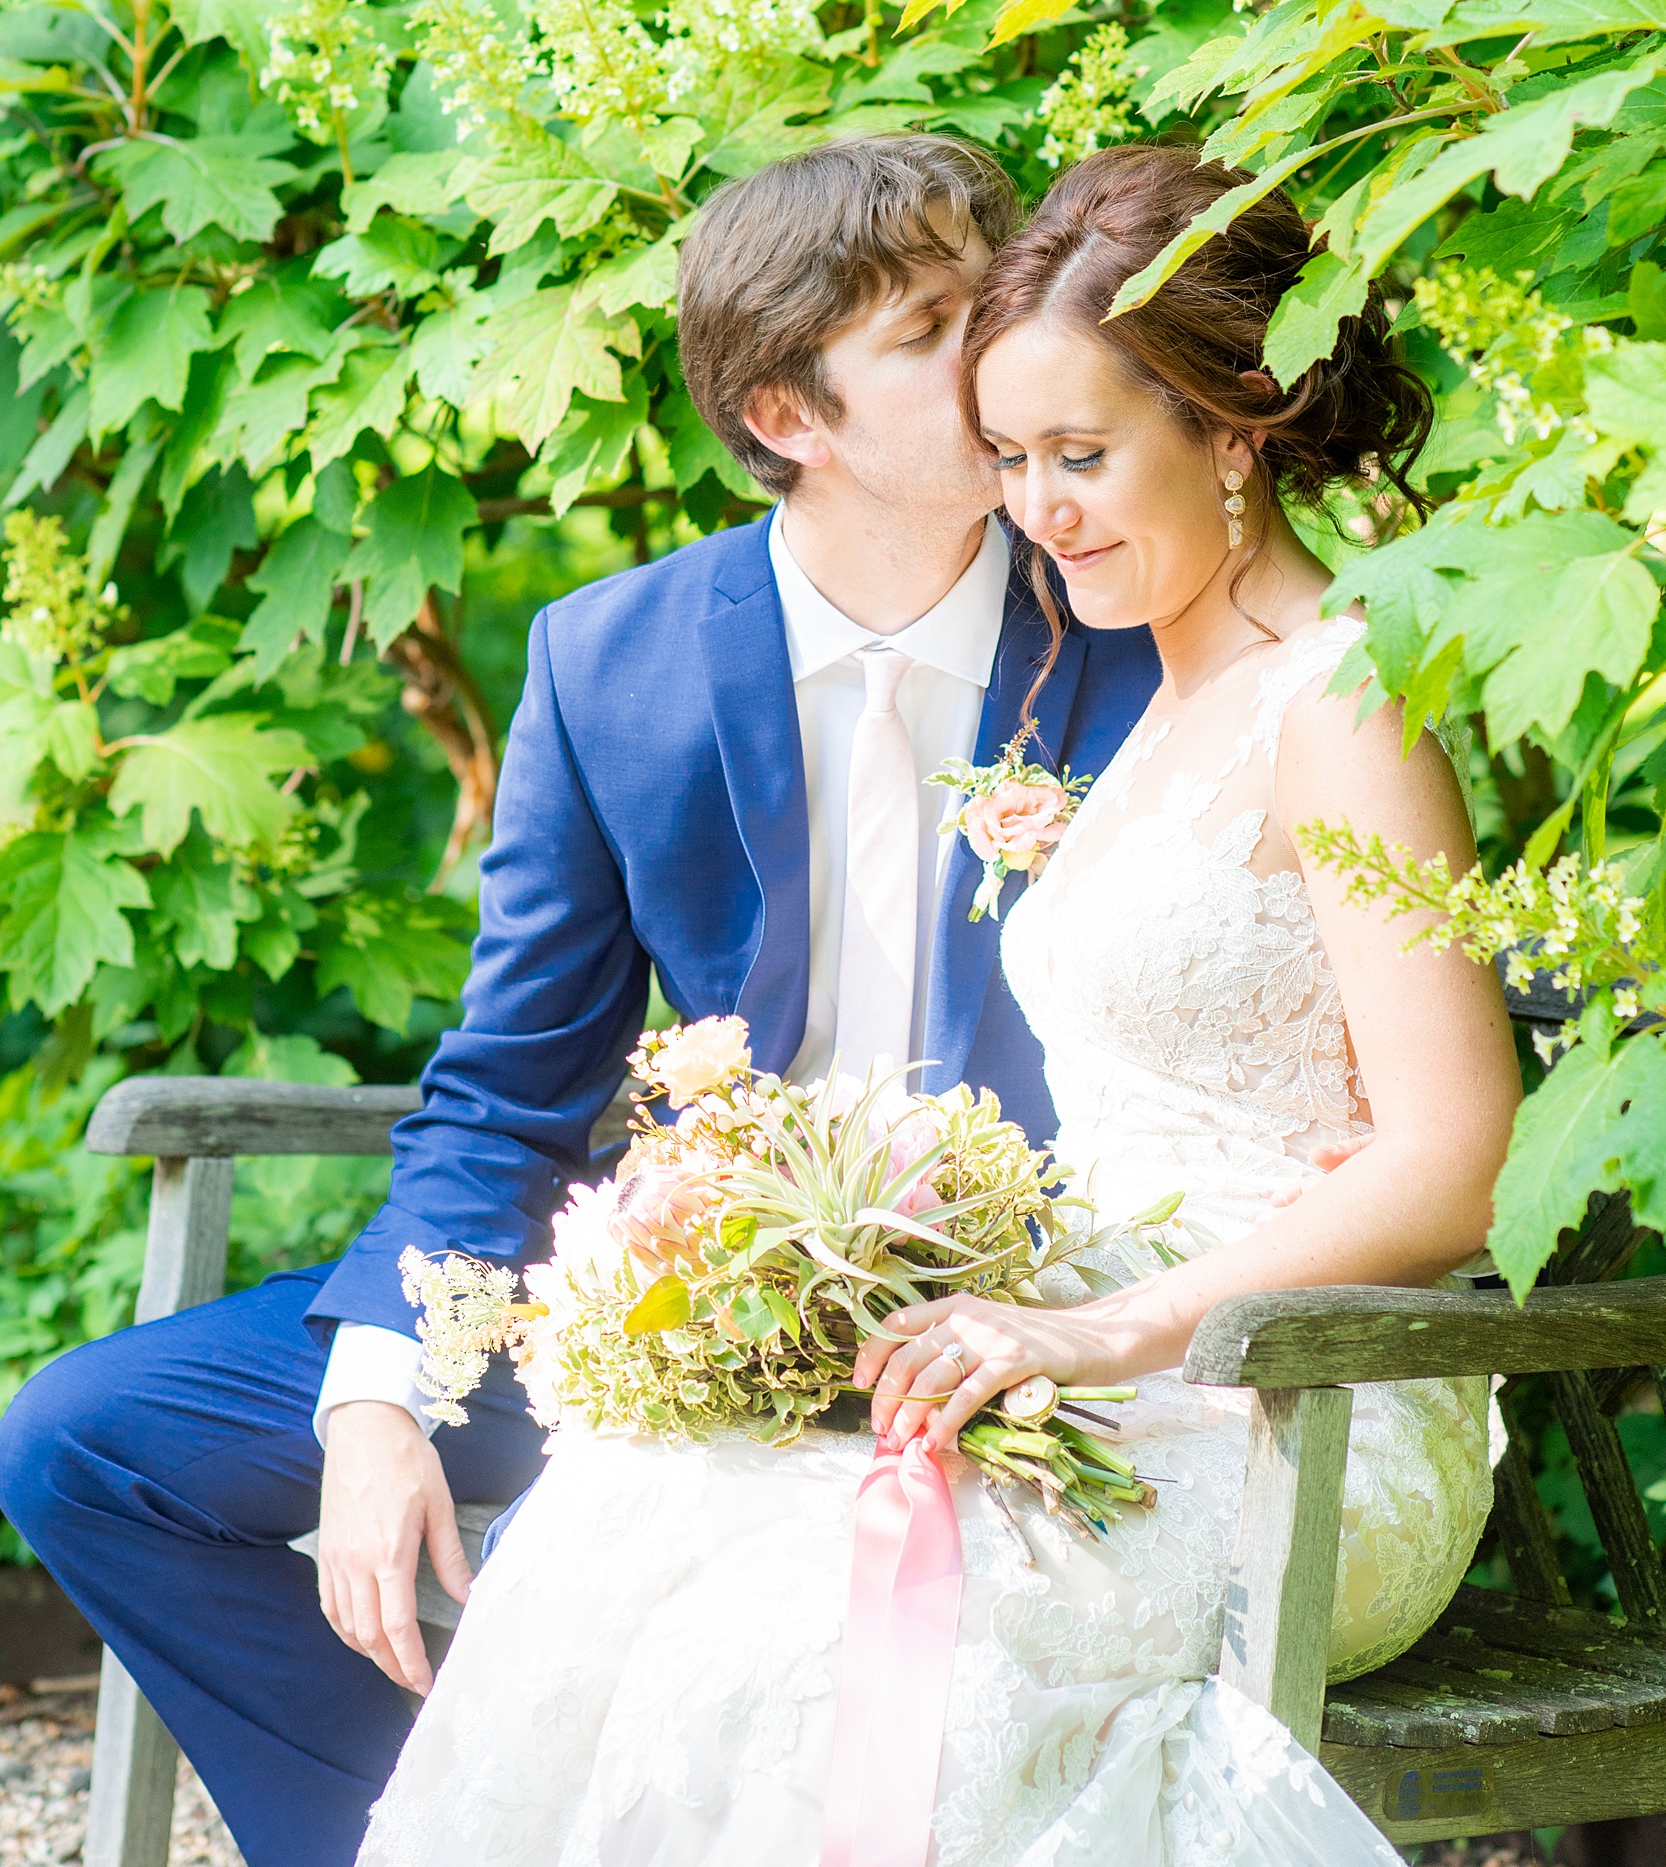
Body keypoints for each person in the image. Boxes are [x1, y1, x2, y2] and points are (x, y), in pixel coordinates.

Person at [0, 133, 1162, 1867]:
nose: (994, 359)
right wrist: (383, 1394)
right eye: (928, 331)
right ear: (787, 415)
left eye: (986, 306)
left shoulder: (1135, 619)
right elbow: (509, 1086)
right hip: (683, 1321)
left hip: (1026, 1338)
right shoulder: (610, 658)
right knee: (87, 1444)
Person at [355, 144, 1521, 1867]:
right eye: (1013, 456)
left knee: (799, 1648)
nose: (1039, 510)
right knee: (632, 1529)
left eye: (1083, 455)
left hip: (1303, 1405)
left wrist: (1100, 1334)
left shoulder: (1341, 694)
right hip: (1095, 1360)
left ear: (1235, 427)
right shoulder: (1141, 688)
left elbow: (1461, 1152)